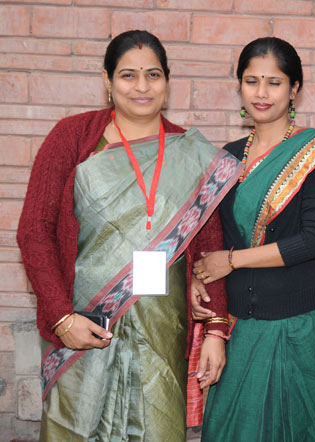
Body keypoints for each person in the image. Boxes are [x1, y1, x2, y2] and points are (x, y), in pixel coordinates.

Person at [16, 30, 241, 441]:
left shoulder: (190, 152)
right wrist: (61, 317)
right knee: (75, 428)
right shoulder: (72, 137)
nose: (142, 87)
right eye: (128, 75)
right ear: (107, 80)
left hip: (161, 325)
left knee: (155, 427)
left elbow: (209, 247)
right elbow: (34, 231)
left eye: (153, 75)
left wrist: (215, 329)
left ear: (167, 81)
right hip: (84, 322)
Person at [190, 37, 315, 442]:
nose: (261, 93)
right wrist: (199, 281)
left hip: (295, 331)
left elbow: (314, 240)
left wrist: (232, 260)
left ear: (294, 88)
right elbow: (208, 238)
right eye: (252, 81)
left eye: (274, 82)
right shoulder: (227, 157)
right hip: (239, 331)